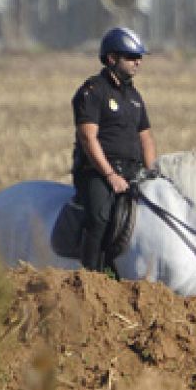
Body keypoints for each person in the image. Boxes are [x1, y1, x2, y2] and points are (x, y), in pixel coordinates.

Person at [72, 26, 156, 274]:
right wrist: (110, 176)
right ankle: (89, 277)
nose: (138, 63)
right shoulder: (93, 91)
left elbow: (146, 138)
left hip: (133, 171)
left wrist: (152, 173)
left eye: (139, 57)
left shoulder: (134, 96)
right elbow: (88, 138)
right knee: (100, 217)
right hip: (98, 173)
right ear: (112, 59)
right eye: (131, 57)